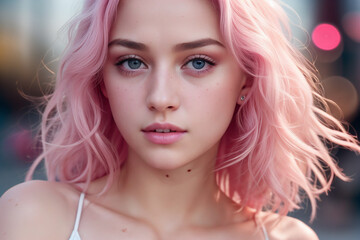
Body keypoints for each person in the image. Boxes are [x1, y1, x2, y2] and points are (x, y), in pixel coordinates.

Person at [1, 0, 359, 239]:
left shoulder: (285, 238)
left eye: (198, 62)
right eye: (131, 62)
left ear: (246, 81)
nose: (160, 98)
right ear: (101, 82)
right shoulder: (34, 219)